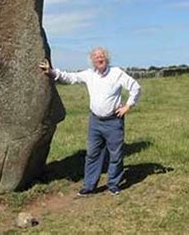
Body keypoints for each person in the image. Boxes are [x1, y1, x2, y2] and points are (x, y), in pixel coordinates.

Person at [39, 47, 141, 196]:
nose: (99, 58)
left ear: (106, 58)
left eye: (101, 56)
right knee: (93, 154)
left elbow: (135, 87)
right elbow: (70, 77)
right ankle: (89, 186)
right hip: (95, 121)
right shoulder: (89, 74)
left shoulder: (116, 73)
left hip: (113, 120)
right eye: (96, 56)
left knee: (115, 154)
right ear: (92, 60)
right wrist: (51, 72)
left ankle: (113, 184)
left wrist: (128, 106)